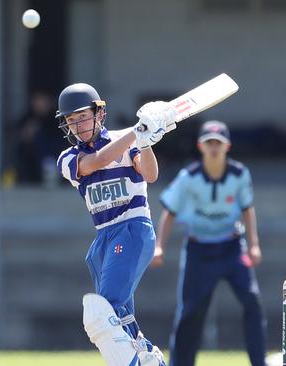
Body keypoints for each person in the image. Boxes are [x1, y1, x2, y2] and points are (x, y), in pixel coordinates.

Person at [56, 82, 175, 366]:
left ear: (99, 114)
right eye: (71, 121)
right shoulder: (68, 158)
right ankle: (149, 357)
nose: (78, 125)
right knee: (118, 314)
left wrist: (144, 144)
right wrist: (137, 132)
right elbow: (97, 161)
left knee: (101, 312)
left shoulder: (129, 141)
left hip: (133, 229)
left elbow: (150, 174)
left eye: (82, 116)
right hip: (104, 238)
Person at [152, 120, 266, 366]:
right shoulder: (188, 177)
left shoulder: (239, 174)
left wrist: (253, 244)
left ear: (227, 146)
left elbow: (248, 209)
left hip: (232, 247)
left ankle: (259, 362)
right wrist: (159, 246)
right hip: (198, 250)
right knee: (190, 312)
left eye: (218, 143)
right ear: (200, 146)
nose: (214, 147)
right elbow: (169, 211)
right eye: (209, 143)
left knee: (251, 300)